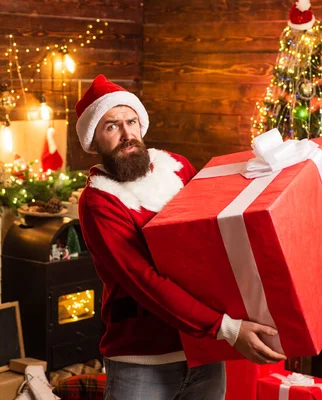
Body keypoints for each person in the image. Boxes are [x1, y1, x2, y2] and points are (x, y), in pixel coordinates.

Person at [75, 75, 286, 400]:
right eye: (111, 126)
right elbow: (145, 280)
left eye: (131, 121)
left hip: (205, 354)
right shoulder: (98, 201)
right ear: (94, 140)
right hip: (141, 362)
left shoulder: (178, 168)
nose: (127, 134)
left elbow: (217, 234)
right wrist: (227, 328)